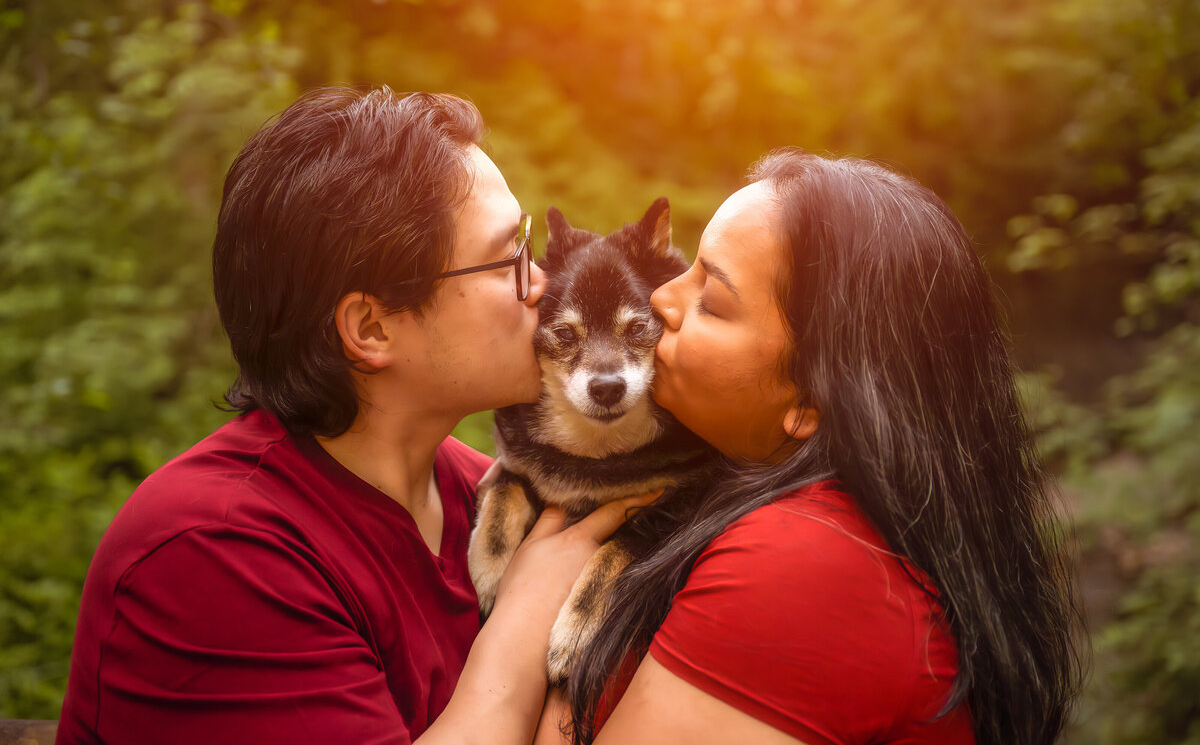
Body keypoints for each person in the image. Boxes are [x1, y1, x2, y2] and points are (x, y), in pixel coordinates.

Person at [55, 87, 657, 745]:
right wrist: (526, 615)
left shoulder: (493, 492)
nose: (542, 281)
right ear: (371, 329)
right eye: (508, 255)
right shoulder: (210, 550)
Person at [541, 149, 1086, 745]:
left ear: (809, 402)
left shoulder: (804, 563)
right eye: (687, 269)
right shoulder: (827, 522)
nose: (661, 300)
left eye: (712, 300)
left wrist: (523, 618)